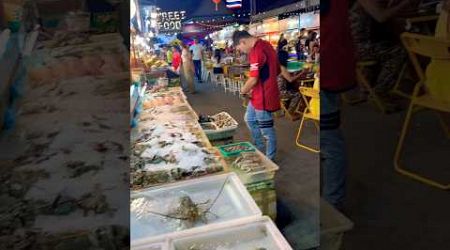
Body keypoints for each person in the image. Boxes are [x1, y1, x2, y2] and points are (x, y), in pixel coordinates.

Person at [320, 0, 356, 210]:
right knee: (329, 141)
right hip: (332, 71)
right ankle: (332, 201)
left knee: (330, 143)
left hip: (329, 72)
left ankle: (332, 204)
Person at [349, 0, 417, 111]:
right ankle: (380, 92)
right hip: (358, 47)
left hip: (365, 43)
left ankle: (369, 89)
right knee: (398, 52)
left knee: (392, 45)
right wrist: (403, 4)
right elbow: (381, 16)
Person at [232, 30, 281, 161]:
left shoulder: (256, 51)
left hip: (264, 96)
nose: (242, 51)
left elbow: (253, 79)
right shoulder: (267, 45)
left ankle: (269, 158)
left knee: (267, 131)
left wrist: (243, 90)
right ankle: (259, 148)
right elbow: (277, 69)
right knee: (250, 119)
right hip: (258, 93)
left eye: (240, 48)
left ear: (243, 41)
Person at [277, 39, 304, 114]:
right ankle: (290, 111)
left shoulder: (278, 66)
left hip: (277, 90)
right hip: (280, 92)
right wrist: (301, 73)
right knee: (298, 94)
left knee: (293, 88)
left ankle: (286, 109)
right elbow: (290, 80)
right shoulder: (282, 67)